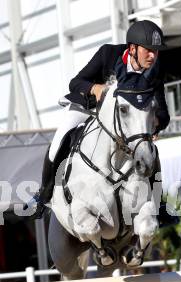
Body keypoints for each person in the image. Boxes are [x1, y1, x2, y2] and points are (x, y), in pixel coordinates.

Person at [26, 20, 170, 220]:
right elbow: (75, 83)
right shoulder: (108, 54)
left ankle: (158, 205)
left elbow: (163, 112)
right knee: (59, 139)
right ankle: (43, 195)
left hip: (125, 121)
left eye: (156, 50)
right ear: (133, 48)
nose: (153, 56)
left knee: (151, 153)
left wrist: (152, 125)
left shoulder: (155, 70)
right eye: (149, 50)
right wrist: (95, 88)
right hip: (89, 108)